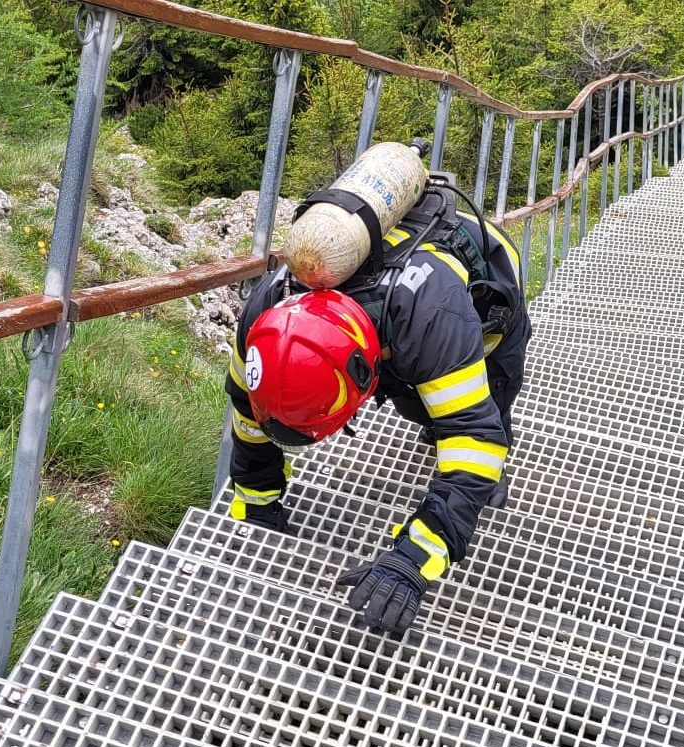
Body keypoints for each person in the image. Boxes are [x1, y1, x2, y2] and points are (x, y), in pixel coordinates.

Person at [223, 160, 531, 638]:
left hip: (487, 309)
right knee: (431, 405)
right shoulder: (264, 317)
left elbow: (473, 436)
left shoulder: (432, 317)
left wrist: (415, 556)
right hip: (389, 329)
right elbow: (248, 417)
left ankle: (465, 487)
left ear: (366, 378)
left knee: (471, 421)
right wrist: (256, 506)